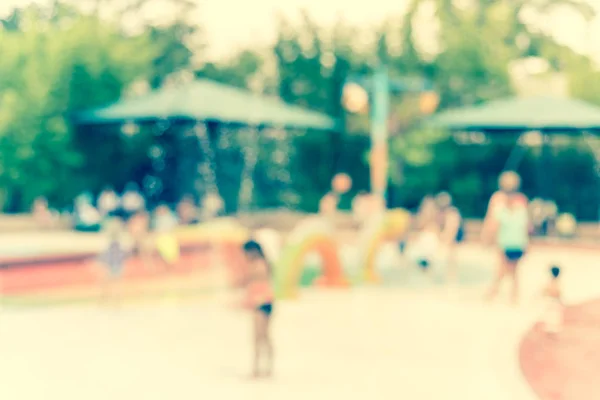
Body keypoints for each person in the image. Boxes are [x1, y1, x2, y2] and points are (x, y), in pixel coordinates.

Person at [485, 191, 530, 304]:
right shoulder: (521, 211)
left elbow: (494, 226)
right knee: (515, 273)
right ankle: (514, 298)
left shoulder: (501, 211)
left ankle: (492, 293)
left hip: (505, 244)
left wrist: (488, 239)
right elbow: (527, 228)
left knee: (501, 271)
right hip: (519, 244)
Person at [242, 240, 274, 378]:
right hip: (264, 301)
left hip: (261, 302)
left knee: (259, 337)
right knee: (264, 336)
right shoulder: (262, 263)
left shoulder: (259, 264)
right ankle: (265, 367)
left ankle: (258, 369)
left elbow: (256, 281)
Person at [94, 219, 129, 306]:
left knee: (108, 284)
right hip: (115, 265)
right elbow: (122, 255)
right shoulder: (118, 244)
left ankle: (108, 301)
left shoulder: (112, 244)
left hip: (112, 266)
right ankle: (114, 301)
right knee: (114, 284)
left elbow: (108, 256)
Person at [436, 192, 464, 281]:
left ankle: (450, 275)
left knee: (450, 255)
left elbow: (452, 228)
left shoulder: (452, 213)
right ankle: (449, 275)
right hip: (448, 238)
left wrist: (445, 239)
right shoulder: (443, 213)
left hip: (453, 238)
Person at [541, 265, 563, 336]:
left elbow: (550, 291)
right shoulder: (558, 282)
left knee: (551, 314)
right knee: (554, 314)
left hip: (551, 300)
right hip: (555, 300)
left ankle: (551, 327)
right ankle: (552, 327)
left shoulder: (552, 282)